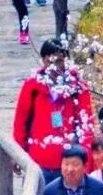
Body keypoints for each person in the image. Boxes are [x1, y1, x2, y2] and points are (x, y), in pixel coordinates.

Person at [13, 39, 95, 183]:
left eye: (59, 61)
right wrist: (17, 154)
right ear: (43, 61)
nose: (55, 66)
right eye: (50, 61)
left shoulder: (77, 86)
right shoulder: (32, 86)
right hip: (38, 160)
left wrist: (87, 161)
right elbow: (20, 123)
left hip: (70, 163)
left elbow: (87, 125)